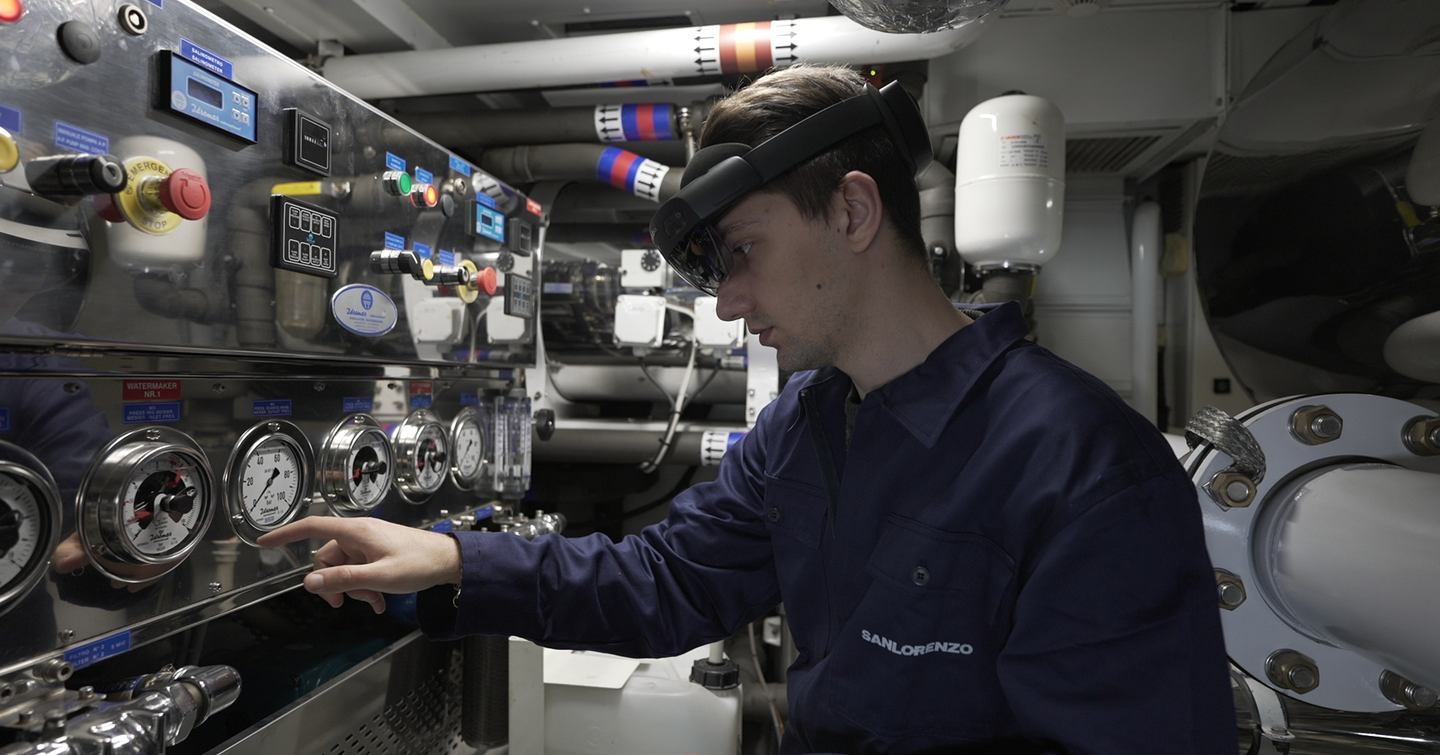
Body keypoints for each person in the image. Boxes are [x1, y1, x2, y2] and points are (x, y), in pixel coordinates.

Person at [261, 64, 1236, 753]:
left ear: (853, 212)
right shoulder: (807, 424)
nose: (725, 302)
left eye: (743, 253)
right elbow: (667, 580)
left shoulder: (1082, 463)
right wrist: (457, 560)